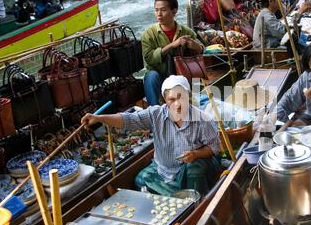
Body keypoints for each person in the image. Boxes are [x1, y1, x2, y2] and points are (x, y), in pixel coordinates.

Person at [81, 75, 221, 196]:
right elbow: (127, 120)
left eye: (181, 97)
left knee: (194, 171)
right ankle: (179, 195)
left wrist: (195, 154)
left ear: (188, 96)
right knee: (140, 180)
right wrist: (99, 118)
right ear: (165, 100)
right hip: (164, 170)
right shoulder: (156, 114)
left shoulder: (202, 119)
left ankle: (195, 202)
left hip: (192, 167)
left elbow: (215, 147)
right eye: (172, 99)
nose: (177, 104)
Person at [141, 0, 204, 106]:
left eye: (163, 10)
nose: (159, 14)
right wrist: (172, 45)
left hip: (182, 74)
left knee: (195, 81)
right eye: (156, 10)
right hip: (160, 75)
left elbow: (200, 51)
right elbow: (149, 59)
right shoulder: (148, 34)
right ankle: (156, 112)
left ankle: (194, 105)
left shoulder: (186, 32)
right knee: (151, 76)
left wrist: (197, 47)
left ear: (174, 11)